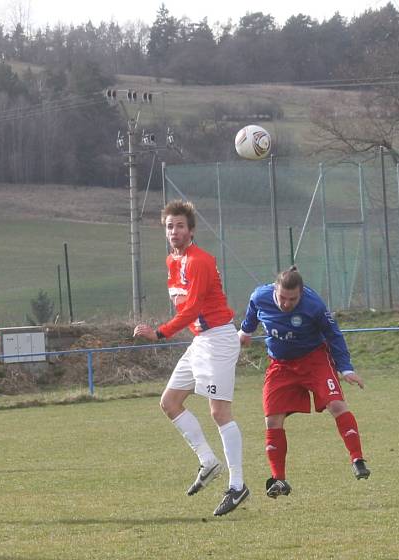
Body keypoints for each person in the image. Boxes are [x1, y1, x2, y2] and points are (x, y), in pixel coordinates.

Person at [133, 199, 249, 517]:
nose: (174, 231)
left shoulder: (199, 261)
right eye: (169, 226)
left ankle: (238, 485)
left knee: (219, 412)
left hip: (219, 339)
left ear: (191, 230)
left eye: (180, 225)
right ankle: (208, 462)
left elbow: (193, 308)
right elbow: (188, 309)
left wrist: (160, 333)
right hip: (201, 340)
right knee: (170, 402)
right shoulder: (173, 261)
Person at [239, 267, 370, 499]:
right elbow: (251, 314)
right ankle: (278, 479)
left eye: (293, 299)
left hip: (314, 360)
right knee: (272, 420)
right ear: (275, 289)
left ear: (301, 293)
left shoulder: (314, 305)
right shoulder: (259, 296)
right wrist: (245, 331)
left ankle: (357, 459)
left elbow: (333, 334)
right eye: (282, 298)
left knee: (337, 405)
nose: (287, 303)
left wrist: (345, 367)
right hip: (280, 365)